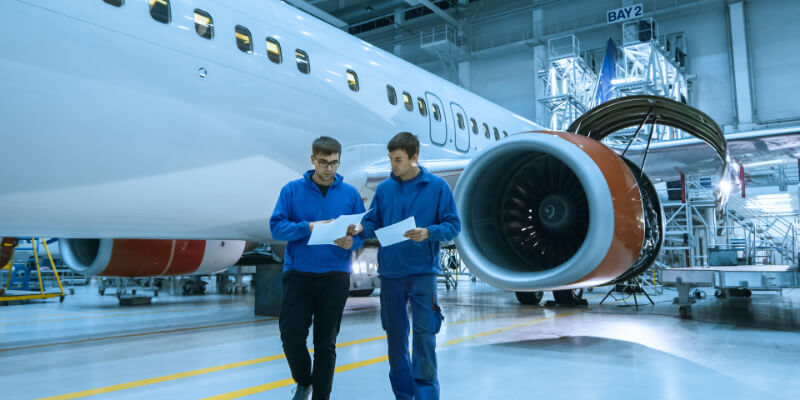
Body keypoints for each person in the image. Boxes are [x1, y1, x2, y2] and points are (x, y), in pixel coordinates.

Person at [350, 132, 461, 400]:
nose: (393, 165)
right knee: (396, 340)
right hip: (390, 275)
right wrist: (361, 228)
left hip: (423, 274)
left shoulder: (437, 187)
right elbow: (374, 221)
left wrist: (429, 232)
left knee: (424, 339)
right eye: (390, 159)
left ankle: (425, 396)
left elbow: (453, 226)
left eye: (398, 159)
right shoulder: (386, 189)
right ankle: (402, 394)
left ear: (414, 157)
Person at [270, 136, 366, 400]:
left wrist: (352, 241)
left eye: (334, 163)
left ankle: (321, 396)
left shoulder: (350, 194)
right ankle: (304, 381)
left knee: (326, 343)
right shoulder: (291, 191)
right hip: (299, 274)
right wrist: (308, 227)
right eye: (323, 162)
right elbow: (276, 227)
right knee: (291, 336)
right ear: (312, 160)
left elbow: (360, 229)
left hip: (335, 276)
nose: (329, 169)